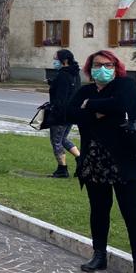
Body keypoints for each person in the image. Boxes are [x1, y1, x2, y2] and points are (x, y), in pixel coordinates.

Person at [67, 50, 136, 273]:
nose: (101, 69)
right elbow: (70, 112)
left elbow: (122, 105)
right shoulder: (85, 90)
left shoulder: (126, 85)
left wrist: (90, 107)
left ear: (116, 67)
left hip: (125, 162)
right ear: (89, 68)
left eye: (107, 64)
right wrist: (98, 109)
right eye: (96, 65)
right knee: (99, 210)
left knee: (132, 214)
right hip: (94, 162)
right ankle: (99, 254)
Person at [46, 48, 81, 178]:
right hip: (72, 113)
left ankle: (62, 168)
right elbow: (71, 91)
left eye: (56, 59)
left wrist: (55, 113)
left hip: (60, 115)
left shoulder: (62, 75)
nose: (54, 61)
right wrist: (52, 83)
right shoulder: (75, 74)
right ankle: (80, 159)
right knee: (63, 139)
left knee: (56, 141)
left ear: (64, 60)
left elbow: (61, 97)